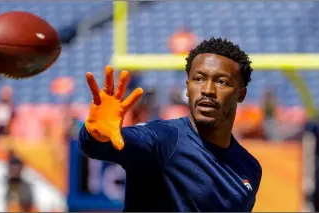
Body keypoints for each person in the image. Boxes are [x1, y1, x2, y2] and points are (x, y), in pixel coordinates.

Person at [79, 37, 262, 211]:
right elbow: (98, 147)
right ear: (188, 86)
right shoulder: (164, 139)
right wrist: (95, 135)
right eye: (198, 79)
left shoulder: (249, 168)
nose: (207, 90)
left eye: (221, 81)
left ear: (241, 94)